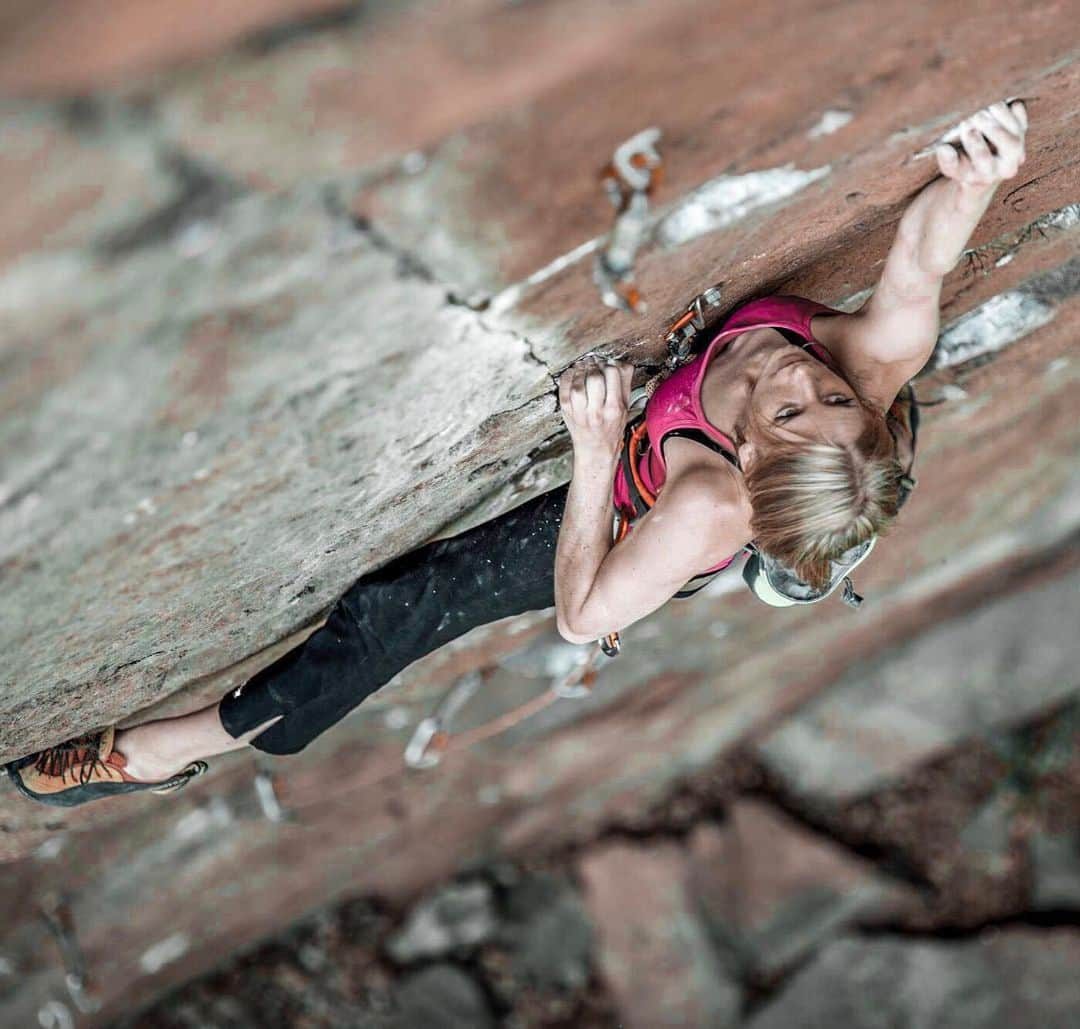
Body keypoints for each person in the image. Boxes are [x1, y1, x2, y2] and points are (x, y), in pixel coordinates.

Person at [8, 100, 1028, 806]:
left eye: (795, 419)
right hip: (766, 466)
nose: (797, 384)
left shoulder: (711, 503)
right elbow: (924, 257)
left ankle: (163, 752)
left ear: (754, 462)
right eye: (830, 397)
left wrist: (595, 451)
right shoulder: (865, 365)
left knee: (390, 612)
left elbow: (586, 616)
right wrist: (984, 175)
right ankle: (845, 509)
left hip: (633, 508)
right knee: (875, 393)